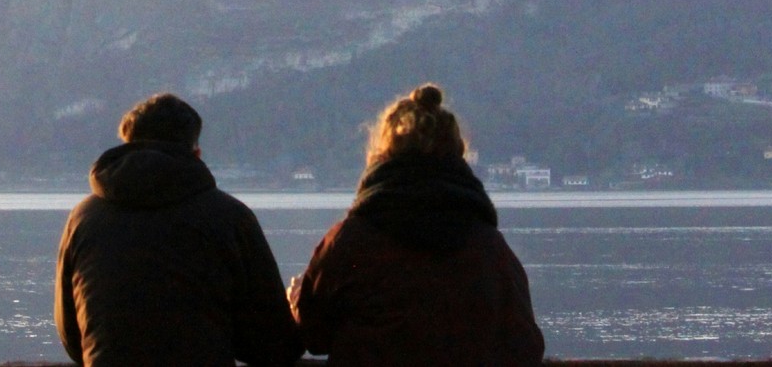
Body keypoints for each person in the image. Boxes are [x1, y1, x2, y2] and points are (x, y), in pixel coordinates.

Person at [290, 84, 544, 367]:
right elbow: (526, 346)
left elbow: (314, 337)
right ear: (457, 151)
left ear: (382, 151)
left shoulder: (349, 242)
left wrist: (296, 305)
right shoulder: (489, 248)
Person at [56, 91, 302, 367]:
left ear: (127, 144)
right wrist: (298, 312)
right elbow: (271, 345)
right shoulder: (229, 217)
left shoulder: (83, 219)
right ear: (195, 151)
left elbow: (72, 335)